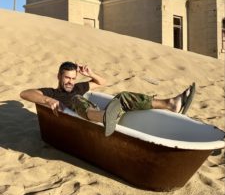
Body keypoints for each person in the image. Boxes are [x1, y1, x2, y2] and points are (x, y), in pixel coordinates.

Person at [20, 61, 196, 137]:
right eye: (67, 78)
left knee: (123, 96)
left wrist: (89, 73)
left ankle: (171, 104)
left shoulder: (79, 87)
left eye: (73, 78)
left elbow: (102, 82)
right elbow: (25, 93)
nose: (71, 82)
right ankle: (105, 116)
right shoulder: (51, 92)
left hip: (93, 111)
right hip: (84, 114)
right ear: (59, 76)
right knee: (76, 100)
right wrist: (48, 101)